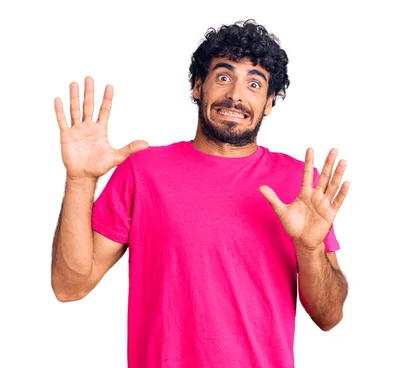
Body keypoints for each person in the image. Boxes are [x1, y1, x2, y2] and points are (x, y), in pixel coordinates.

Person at [50, 19, 350, 368]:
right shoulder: (144, 171)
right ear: (197, 86)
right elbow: (70, 286)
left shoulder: (300, 184)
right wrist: (80, 181)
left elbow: (330, 316)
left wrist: (310, 248)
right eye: (224, 77)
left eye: (254, 84)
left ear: (268, 103)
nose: (236, 95)